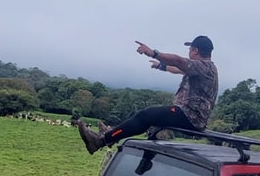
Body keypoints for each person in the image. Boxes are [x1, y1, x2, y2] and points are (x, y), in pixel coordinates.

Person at [74, 35, 219, 154]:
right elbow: (177, 68)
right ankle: (116, 137)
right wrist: (161, 66)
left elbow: (178, 61)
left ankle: (101, 141)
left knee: (147, 115)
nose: (188, 52)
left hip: (190, 117)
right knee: (152, 127)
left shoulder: (204, 66)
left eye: (189, 49)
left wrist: (154, 53)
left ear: (195, 50)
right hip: (190, 117)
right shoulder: (203, 69)